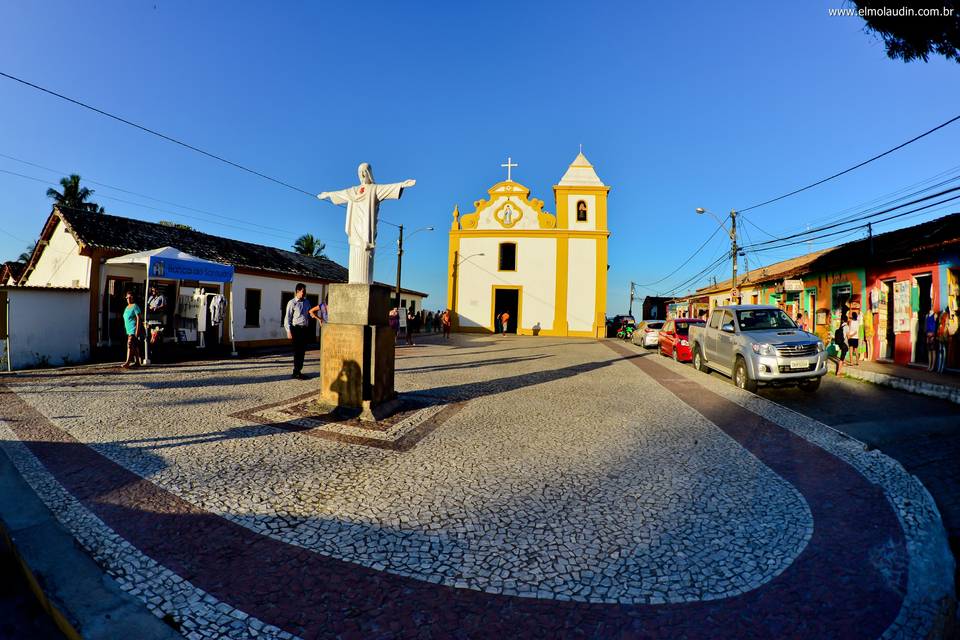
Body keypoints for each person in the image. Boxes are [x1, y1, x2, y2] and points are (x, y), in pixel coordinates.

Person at [284, 283, 312, 379]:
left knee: (302, 351)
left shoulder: (307, 302)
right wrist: (288, 331)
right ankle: (295, 372)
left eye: (305, 291)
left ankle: (299, 371)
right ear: (297, 291)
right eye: (303, 291)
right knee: (297, 351)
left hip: (304, 329)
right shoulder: (292, 303)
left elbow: (309, 314)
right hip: (296, 329)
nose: (304, 293)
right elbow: (287, 318)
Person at [121, 290, 142, 369]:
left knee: (129, 344)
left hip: (133, 329)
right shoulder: (127, 307)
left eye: (130, 297)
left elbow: (139, 318)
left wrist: (137, 330)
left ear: (133, 298)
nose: (128, 299)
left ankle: (127, 362)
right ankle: (137, 362)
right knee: (135, 345)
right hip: (128, 329)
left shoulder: (135, 306)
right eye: (127, 298)